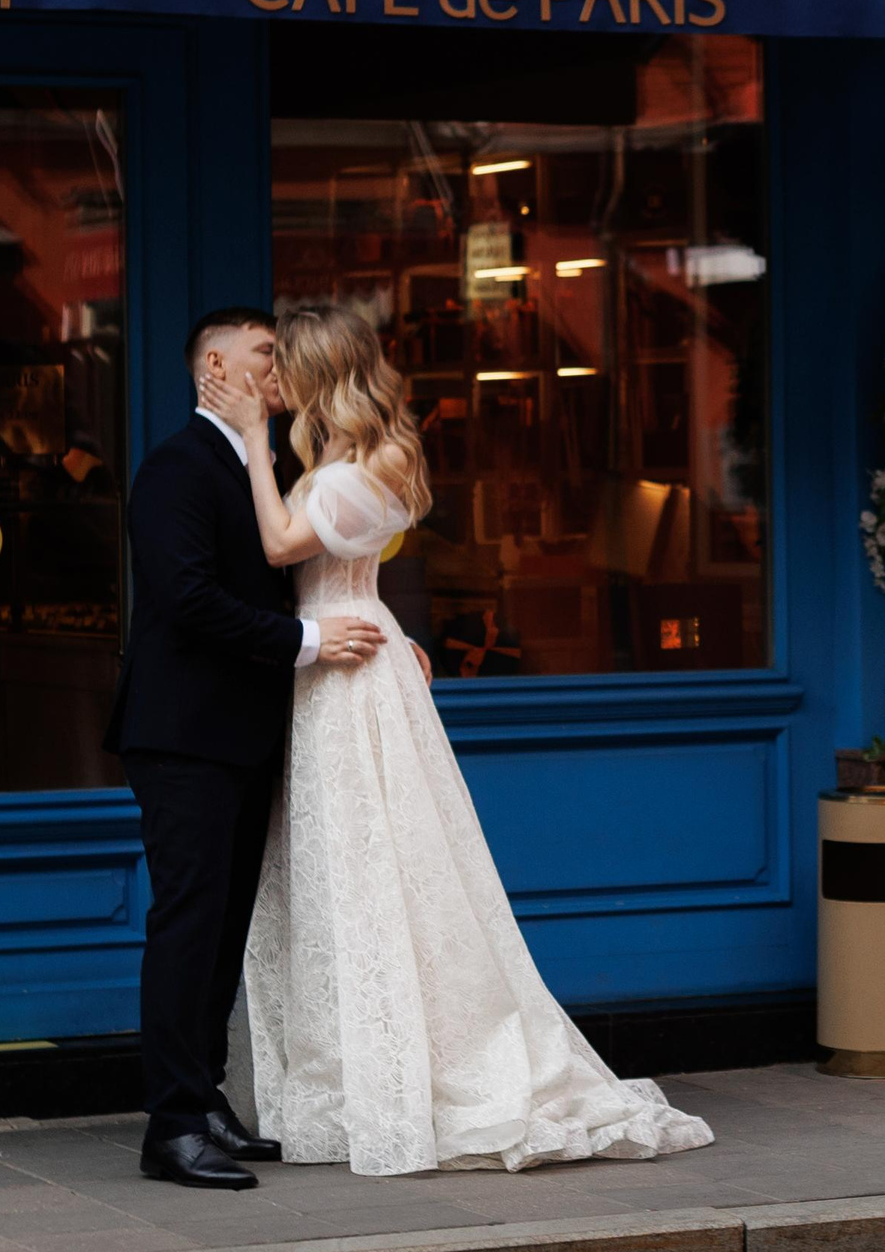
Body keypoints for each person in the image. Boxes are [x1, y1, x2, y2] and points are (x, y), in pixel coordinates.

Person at [202, 304, 716, 1176]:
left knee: (377, 867)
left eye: (285, 366)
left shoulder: (362, 466)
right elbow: (343, 574)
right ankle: (341, 1066)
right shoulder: (338, 458)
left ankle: (417, 1066)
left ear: (322, 372)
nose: (272, 382)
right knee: (343, 869)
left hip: (347, 677)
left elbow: (284, 542)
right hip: (342, 657)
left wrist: (253, 435)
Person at [107, 308, 391, 1191]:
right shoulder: (175, 468)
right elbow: (188, 600)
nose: (279, 367)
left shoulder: (265, 468)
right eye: (264, 355)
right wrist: (308, 643)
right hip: (183, 738)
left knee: (225, 931)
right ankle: (171, 1127)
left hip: (246, 738)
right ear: (214, 370)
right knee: (188, 924)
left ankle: (205, 1096)